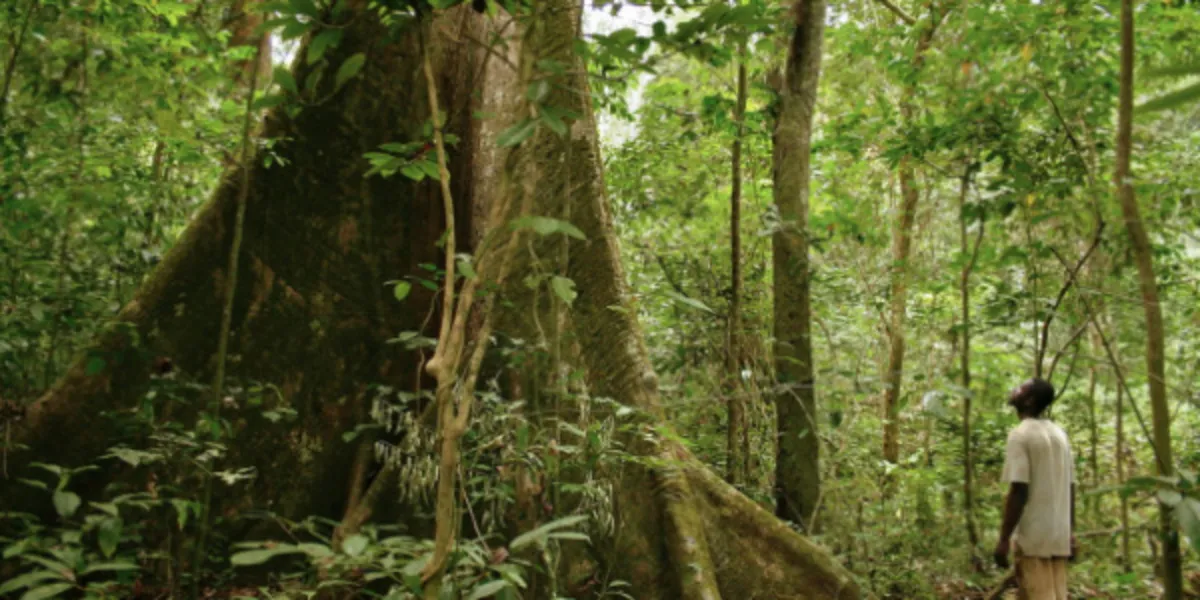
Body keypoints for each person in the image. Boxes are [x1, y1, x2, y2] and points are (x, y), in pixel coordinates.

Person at [993, 378, 1077, 600]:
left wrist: (1004, 539)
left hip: (1034, 537)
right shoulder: (1060, 435)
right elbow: (1071, 487)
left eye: (1021, 388)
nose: (1015, 388)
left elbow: (1019, 490)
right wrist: (1071, 531)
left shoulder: (1020, 435)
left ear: (1029, 401)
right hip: (1058, 534)